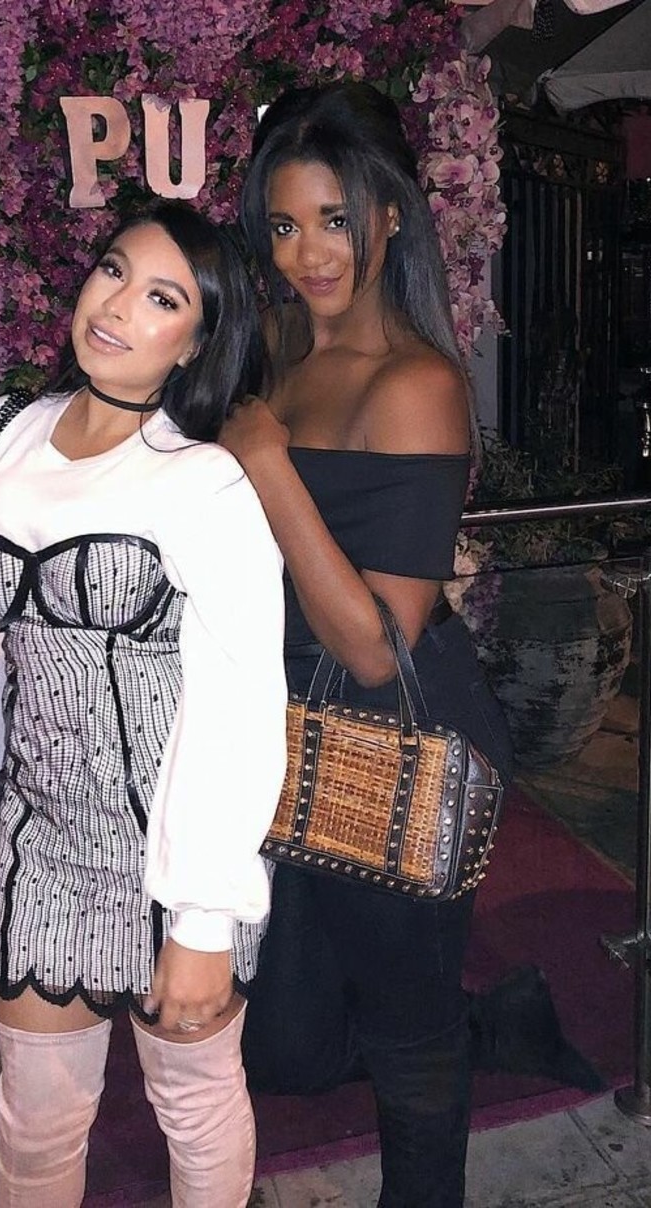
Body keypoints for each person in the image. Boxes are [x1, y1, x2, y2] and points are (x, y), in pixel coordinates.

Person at [0, 201, 288, 1207]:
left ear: (197, 341)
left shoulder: (205, 482)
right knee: (36, 1123)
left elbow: (236, 708)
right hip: (41, 840)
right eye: (113, 270)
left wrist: (203, 917)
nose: (119, 305)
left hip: (173, 851)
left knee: (195, 1107)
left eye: (163, 298)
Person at [220, 82, 516, 1207]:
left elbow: (380, 644)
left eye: (334, 220)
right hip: (278, 722)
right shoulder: (275, 346)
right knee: (281, 1041)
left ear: (389, 216)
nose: (308, 254)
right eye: (284, 225)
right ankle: (493, 1016)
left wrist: (265, 462)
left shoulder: (418, 384)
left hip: (396, 732)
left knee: (409, 1036)